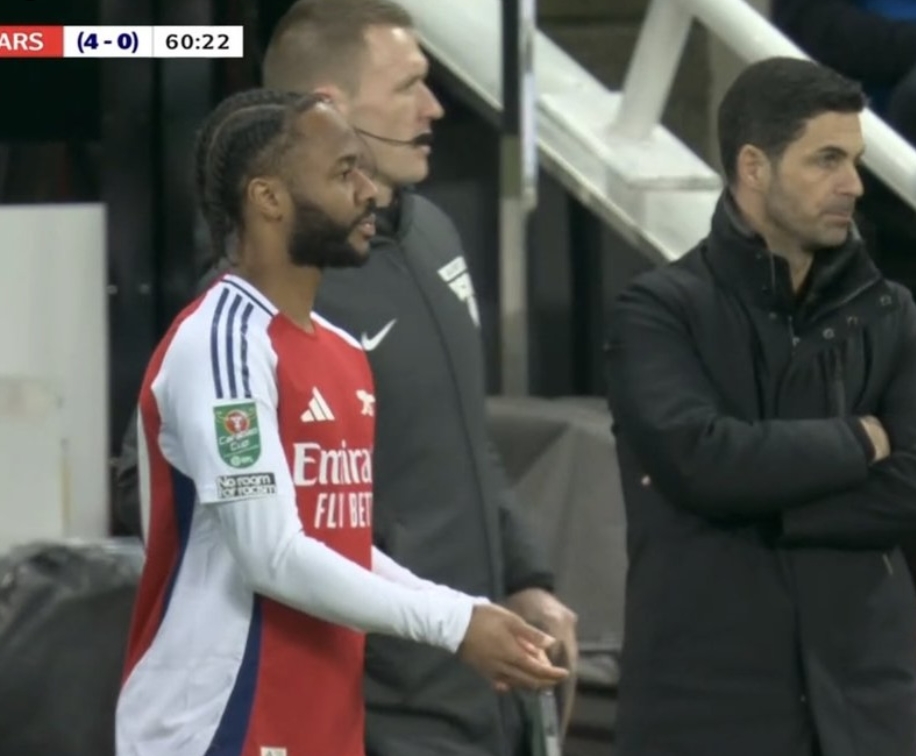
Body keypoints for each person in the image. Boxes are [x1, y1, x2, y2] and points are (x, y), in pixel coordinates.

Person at [115, 88, 567, 756]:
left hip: (322, 718)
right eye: (343, 173)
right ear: (269, 199)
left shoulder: (342, 350)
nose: (370, 193)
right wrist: (451, 623)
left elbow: (340, 541)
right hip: (217, 724)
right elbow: (270, 554)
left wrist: (470, 614)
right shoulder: (223, 344)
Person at [260, 2, 580, 753]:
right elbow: (166, 484)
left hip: (480, 685)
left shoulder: (433, 231)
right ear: (331, 111)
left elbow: (466, 437)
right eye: (409, 86)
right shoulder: (272, 281)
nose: (434, 107)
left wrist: (525, 575)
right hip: (375, 705)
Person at [605, 57, 916, 756]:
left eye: (855, 161)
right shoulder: (657, 311)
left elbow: (913, 484)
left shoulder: (892, 313)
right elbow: (701, 459)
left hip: (869, 705)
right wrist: (858, 443)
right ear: (754, 166)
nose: (853, 184)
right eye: (827, 160)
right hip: (706, 706)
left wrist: (765, 508)